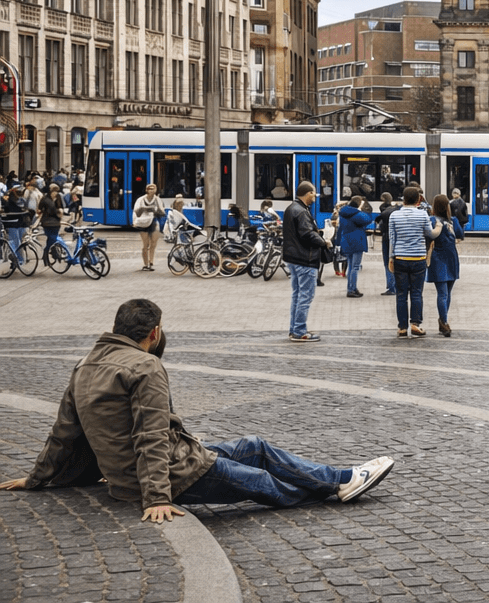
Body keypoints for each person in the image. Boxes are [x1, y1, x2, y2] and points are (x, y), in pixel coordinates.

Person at [0, 298, 394, 515]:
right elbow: (150, 436)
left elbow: (63, 433)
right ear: (153, 334)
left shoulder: (85, 364)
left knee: (254, 446)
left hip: (172, 459)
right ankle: (340, 483)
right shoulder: (146, 366)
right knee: (265, 485)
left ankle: (342, 477)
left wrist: (37, 479)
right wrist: (156, 498)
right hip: (174, 475)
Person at [388, 186, 441, 338]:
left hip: (400, 258)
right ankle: (415, 324)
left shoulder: (394, 216)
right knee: (417, 293)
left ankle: (402, 328)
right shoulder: (423, 215)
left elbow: (393, 239)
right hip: (418, 258)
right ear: (418, 200)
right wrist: (438, 227)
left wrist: (391, 257)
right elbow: (429, 234)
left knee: (401, 294)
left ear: (403, 199)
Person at [282, 183, 329, 343]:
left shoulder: (291, 208)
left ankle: (294, 328)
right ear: (308, 193)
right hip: (305, 258)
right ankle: (299, 331)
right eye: (314, 194)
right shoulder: (301, 211)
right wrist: (324, 241)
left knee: (297, 295)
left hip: (293, 258)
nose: (315, 197)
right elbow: (307, 233)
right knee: (305, 296)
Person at [428, 194, 464, 336]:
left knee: (442, 293)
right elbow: (461, 235)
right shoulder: (453, 221)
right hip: (452, 258)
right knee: (447, 293)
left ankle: (443, 321)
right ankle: (443, 321)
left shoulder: (432, 220)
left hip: (438, 258)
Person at [337, 195, 373, 299]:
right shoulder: (357, 214)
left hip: (346, 242)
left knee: (350, 266)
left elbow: (340, 229)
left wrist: (338, 243)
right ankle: (352, 289)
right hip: (357, 242)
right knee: (355, 267)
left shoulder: (343, 213)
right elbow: (368, 219)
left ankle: (351, 288)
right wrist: (361, 209)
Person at [132, 183, 165, 271]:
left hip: (154, 222)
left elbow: (162, 213)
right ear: (146, 190)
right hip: (143, 223)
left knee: (153, 243)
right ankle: (145, 264)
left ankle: (151, 261)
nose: (152, 190)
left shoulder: (157, 200)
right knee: (145, 244)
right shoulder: (141, 199)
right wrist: (144, 208)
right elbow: (137, 213)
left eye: (153, 188)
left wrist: (156, 210)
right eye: (150, 189)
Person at [376, 192, 399, 296]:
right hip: (397, 238)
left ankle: (391, 286)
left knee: (387, 262)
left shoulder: (384, 212)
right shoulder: (397, 209)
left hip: (386, 238)